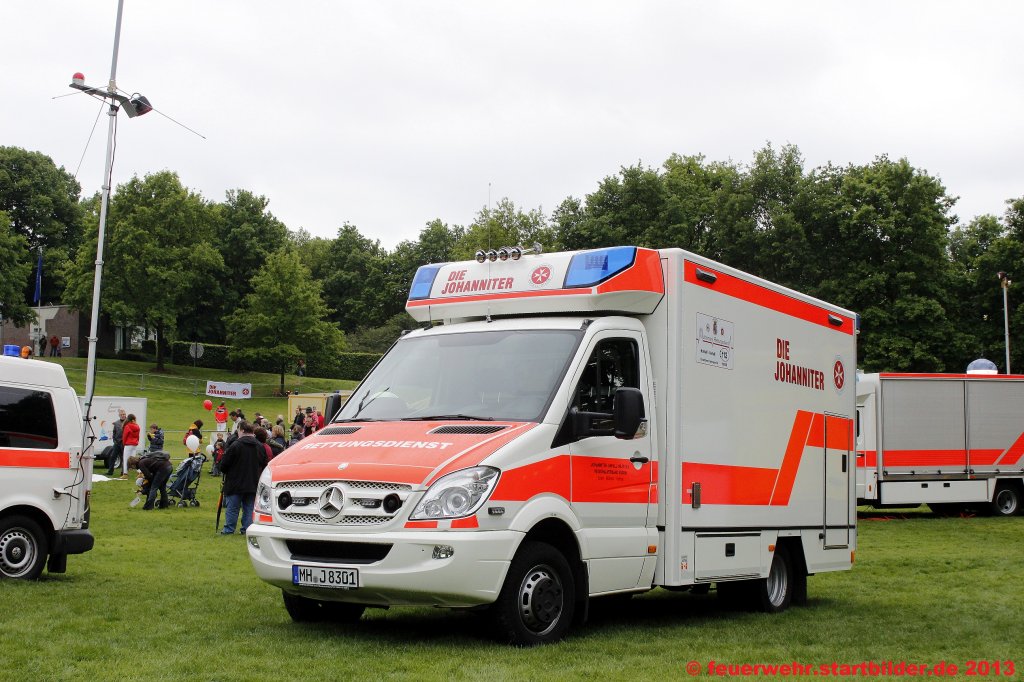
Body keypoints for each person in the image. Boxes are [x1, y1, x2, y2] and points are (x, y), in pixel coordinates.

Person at [218, 421, 267, 535]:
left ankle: (229, 529)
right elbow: (264, 463)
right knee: (249, 508)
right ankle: (247, 529)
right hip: (252, 482)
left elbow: (224, 465)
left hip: (235, 482)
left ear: (242, 430)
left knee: (233, 508)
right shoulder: (259, 446)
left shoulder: (236, 445)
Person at [106, 409, 126, 476]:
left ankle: (123, 472)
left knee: (124, 458)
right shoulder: (116, 423)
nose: (123, 416)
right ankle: (110, 471)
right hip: (117, 443)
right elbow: (114, 432)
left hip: (124, 443)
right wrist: (114, 441)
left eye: (124, 414)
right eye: (121, 414)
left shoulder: (128, 423)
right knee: (112, 457)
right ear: (119, 415)